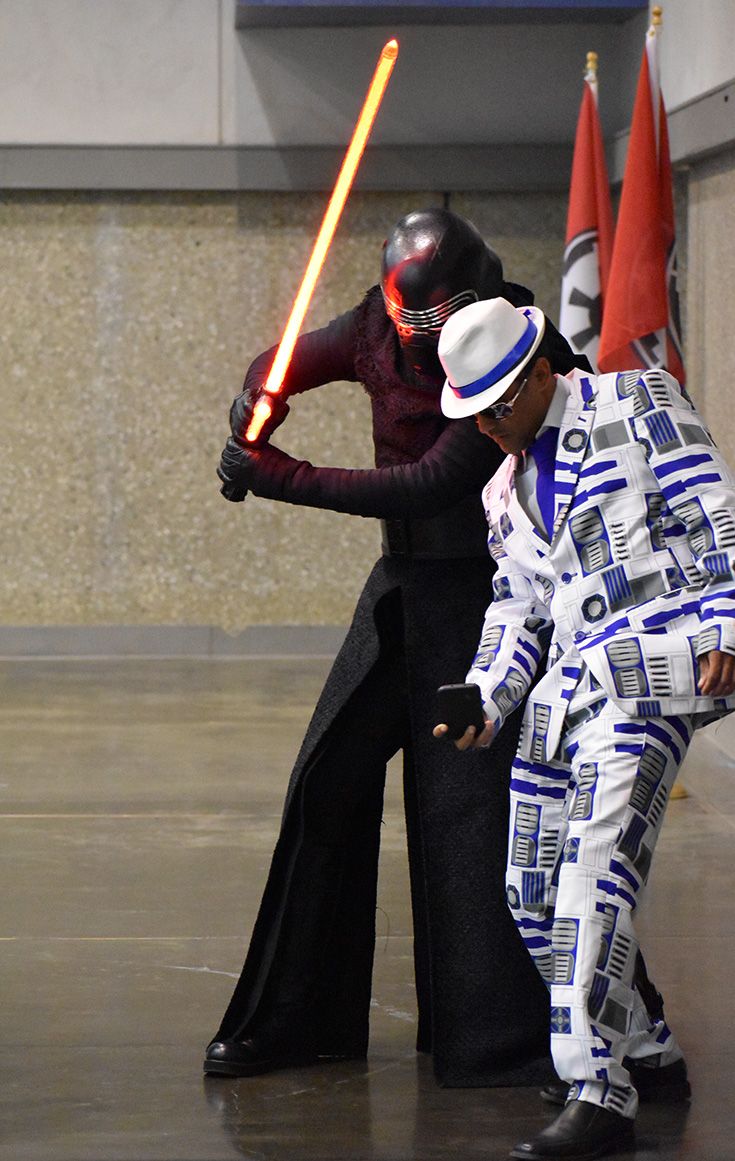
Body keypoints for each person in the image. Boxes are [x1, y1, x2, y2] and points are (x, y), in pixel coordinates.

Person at [204, 208, 591, 1086]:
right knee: (328, 778)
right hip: (399, 594)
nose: (417, 338)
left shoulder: (517, 345)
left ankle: (496, 1037)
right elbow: (289, 360)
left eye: (434, 319)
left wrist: (277, 476)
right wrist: (260, 393)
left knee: (468, 821)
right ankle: (300, 1016)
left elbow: (430, 484)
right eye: (406, 317)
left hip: (486, 600)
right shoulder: (379, 321)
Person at [434, 295, 735, 1158]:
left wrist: (724, 620)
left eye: (495, 405)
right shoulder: (501, 492)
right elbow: (517, 607)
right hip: (560, 701)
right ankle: (647, 1049)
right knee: (527, 891)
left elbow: (713, 505)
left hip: (650, 676)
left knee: (590, 881)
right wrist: (484, 694)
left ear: (536, 376)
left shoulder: (634, 402)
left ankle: (598, 1088)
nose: (486, 427)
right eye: (473, 413)